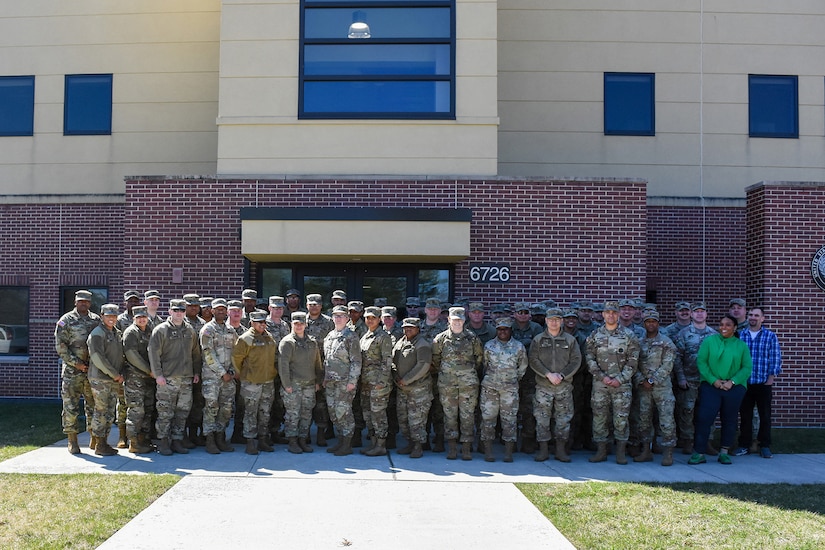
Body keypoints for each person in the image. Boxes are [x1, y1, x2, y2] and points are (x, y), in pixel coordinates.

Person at [689, 315, 752, 465]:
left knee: (729, 420)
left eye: (728, 325)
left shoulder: (741, 345)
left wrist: (732, 382)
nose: (723, 327)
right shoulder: (710, 341)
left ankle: (724, 452)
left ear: (735, 328)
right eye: (721, 324)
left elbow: (747, 367)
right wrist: (714, 381)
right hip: (711, 386)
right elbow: (702, 362)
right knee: (704, 418)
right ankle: (699, 452)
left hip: (734, 388)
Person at [585, 300, 640, 464]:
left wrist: (620, 379)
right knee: (600, 418)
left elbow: (633, 361)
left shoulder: (629, 335)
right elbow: (589, 358)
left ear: (618, 315)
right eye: (608, 312)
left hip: (621, 386)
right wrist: (602, 377)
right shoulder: (595, 335)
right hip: (600, 385)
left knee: (621, 419)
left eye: (614, 312)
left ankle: (620, 453)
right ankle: (601, 451)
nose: (611, 315)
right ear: (603, 314)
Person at [149, 299, 202, 455]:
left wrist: (196, 372)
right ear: (170, 311)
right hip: (167, 379)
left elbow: (195, 353)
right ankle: (164, 442)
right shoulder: (161, 330)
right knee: (165, 412)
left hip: (186, 378)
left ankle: (177, 440)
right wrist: (158, 375)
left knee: (182, 411)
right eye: (176, 311)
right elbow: (153, 354)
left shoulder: (189, 330)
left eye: (182, 311)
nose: (179, 314)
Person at [529, 308, 581, 463]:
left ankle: (560, 450)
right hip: (544, 386)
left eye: (557, 319)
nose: (554, 322)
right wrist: (547, 374)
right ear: (546, 321)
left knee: (563, 419)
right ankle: (543, 450)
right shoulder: (538, 339)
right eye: (551, 319)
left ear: (562, 321)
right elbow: (533, 359)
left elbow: (576, 360)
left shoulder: (570, 340)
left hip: (563, 387)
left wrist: (563, 375)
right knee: (542, 418)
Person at [432, 307, 483, 460]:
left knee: (467, 416)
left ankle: (466, 447)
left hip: (468, 385)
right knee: (449, 415)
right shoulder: (440, 339)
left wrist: (467, 373)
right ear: (448, 319)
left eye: (460, 319)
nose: (457, 322)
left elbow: (478, 359)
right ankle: (452, 447)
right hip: (447, 384)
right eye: (454, 319)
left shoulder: (472, 338)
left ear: (464, 320)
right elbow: (436, 359)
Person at [55, 289, 100, 454]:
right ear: (75, 302)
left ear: (90, 303)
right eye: (81, 301)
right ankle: (72, 440)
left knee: (93, 406)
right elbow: (61, 347)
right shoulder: (65, 321)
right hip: (72, 372)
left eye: (87, 301)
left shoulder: (96, 320)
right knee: (70, 406)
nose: (84, 304)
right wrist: (77, 364)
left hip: (92, 372)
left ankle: (94, 438)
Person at [734, 307, 781, 459]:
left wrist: (771, 379)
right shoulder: (741, 335)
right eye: (751, 315)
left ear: (763, 318)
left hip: (763, 383)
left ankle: (765, 445)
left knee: (765, 416)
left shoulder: (770, 336)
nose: (753, 317)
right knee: (745, 416)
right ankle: (744, 445)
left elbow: (775, 357)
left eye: (756, 315)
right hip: (745, 383)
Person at [479, 317, 528, 462]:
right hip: (490, 388)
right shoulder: (489, 346)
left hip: (509, 389)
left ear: (510, 330)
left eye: (506, 329)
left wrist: (512, 379)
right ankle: (488, 451)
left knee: (509, 420)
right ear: (496, 330)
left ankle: (508, 452)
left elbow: (523, 367)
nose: (503, 331)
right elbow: (484, 365)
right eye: (500, 329)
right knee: (488, 419)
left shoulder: (518, 347)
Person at [633, 310, 677, 466]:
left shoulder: (666, 342)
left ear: (658, 323)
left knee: (666, 420)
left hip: (662, 388)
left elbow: (668, 364)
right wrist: (641, 380)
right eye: (647, 321)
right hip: (643, 388)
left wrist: (652, 380)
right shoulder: (638, 342)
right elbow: (633, 364)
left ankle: (668, 452)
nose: (650, 324)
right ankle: (646, 450)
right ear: (643, 323)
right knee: (643, 420)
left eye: (653, 321)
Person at [673, 302, 717, 454]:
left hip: (708, 380)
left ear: (706, 314)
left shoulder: (714, 335)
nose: (699, 314)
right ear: (691, 314)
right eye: (696, 311)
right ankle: (687, 441)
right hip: (689, 379)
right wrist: (681, 378)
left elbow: (718, 358)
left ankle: (707, 442)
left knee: (708, 411)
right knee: (687, 411)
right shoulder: (684, 334)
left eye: (702, 311)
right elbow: (677, 357)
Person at [232, 310, 279, 454]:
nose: (262, 325)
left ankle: (263, 439)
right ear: (252, 322)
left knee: (265, 412)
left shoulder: (268, 337)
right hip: (251, 382)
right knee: (250, 412)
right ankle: (250, 441)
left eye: (264, 322)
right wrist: (241, 374)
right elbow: (236, 359)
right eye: (259, 322)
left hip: (267, 381)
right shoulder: (245, 338)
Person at [279, 312, 323, 454]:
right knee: (293, 414)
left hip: (309, 383)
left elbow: (317, 363)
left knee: (306, 413)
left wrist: (318, 381)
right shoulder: (287, 342)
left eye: (301, 323)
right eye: (296, 323)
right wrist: (287, 385)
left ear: (305, 324)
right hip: (293, 384)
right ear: (291, 324)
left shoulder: (312, 342)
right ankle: (292, 441)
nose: (298, 326)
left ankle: (303, 440)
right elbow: (283, 365)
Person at [199, 298, 238, 454]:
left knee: (226, 408)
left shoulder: (230, 330)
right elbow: (208, 354)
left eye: (223, 309)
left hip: (229, 378)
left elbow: (237, 353)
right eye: (218, 309)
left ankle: (220, 437)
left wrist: (233, 372)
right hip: (212, 378)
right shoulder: (207, 330)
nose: (221, 311)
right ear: (212, 311)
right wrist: (222, 373)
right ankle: (209, 439)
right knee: (211, 407)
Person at [323, 305, 362, 456]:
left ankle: (347, 444)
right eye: (336, 315)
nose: (338, 318)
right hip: (331, 382)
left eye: (341, 316)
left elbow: (356, 361)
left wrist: (352, 381)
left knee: (344, 412)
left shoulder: (351, 336)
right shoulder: (330, 335)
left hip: (344, 382)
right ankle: (340, 441)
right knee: (333, 412)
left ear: (347, 318)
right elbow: (327, 359)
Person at [87, 304, 125, 456]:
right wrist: (114, 374)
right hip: (100, 379)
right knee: (101, 411)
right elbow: (97, 358)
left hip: (113, 379)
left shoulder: (116, 333)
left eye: (114, 316)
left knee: (109, 412)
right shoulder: (97, 333)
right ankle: (99, 443)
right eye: (108, 315)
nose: (111, 318)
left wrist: (118, 374)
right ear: (101, 316)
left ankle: (104, 441)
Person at [392, 318, 434, 458]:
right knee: (403, 418)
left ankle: (418, 446)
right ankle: (409, 443)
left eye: (411, 327)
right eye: (405, 327)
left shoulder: (422, 344)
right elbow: (393, 361)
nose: (407, 330)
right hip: (402, 388)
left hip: (418, 389)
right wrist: (396, 377)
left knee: (417, 420)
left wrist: (406, 379)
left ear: (418, 329)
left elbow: (423, 365)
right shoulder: (401, 342)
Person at [358, 306, 394, 456]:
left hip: (378, 384)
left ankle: (381, 444)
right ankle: (373, 443)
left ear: (379, 319)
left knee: (378, 414)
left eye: (373, 318)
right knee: (368, 414)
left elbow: (387, 361)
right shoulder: (365, 336)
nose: (370, 320)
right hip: (366, 383)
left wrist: (381, 381)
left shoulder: (383, 337)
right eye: (368, 318)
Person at [121, 305, 156, 454]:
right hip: (135, 378)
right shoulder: (131, 333)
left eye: (144, 317)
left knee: (148, 409)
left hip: (149, 378)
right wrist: (149, 371)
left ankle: (143, 440)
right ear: (134, 318)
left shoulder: (150, 330)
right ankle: (133, 443)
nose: (142, 320)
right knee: (136, 410)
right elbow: (131, 355)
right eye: (139, 317)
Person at [512, 301, 543, 454]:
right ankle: (510, 441)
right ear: (515, 314)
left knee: (529, 409)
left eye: (525, 312)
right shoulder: (509, 328)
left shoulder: (536, 329)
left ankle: (528, 440)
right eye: (520, 312)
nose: (523, 315)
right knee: (511, 410)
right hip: (512, 374)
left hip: (531, 375)